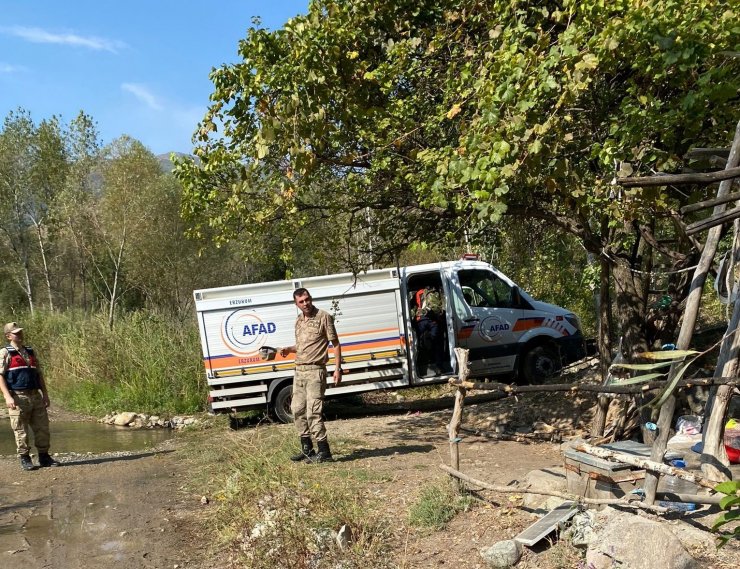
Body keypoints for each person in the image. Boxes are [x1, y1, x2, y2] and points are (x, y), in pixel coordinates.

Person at [279, 288, 342, 463]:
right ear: (296, 304)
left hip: (316, 371)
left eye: (307, 299)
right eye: (301, 301)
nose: (305, 303)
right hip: (299, 371)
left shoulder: (324, 317)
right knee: (297, 410)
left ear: (311, 298)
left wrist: (338, 369)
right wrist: (287, 349)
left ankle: (325, 452)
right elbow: (301, 346)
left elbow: (335, 344)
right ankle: (307, 450)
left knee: (313, 411)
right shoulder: (298, 321)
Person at [0, 322, 58, 471]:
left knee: (42, 427)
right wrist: (7, 396)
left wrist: (45, 394)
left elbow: (39, 374)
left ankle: (44, 457)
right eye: (16, 333)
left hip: (35, 396)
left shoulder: (30, 351)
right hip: (18, 397)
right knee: (20, 430)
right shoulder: (5, 353)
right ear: (8, 336)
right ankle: (25, 458)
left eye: (20, 332)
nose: (20, 335)